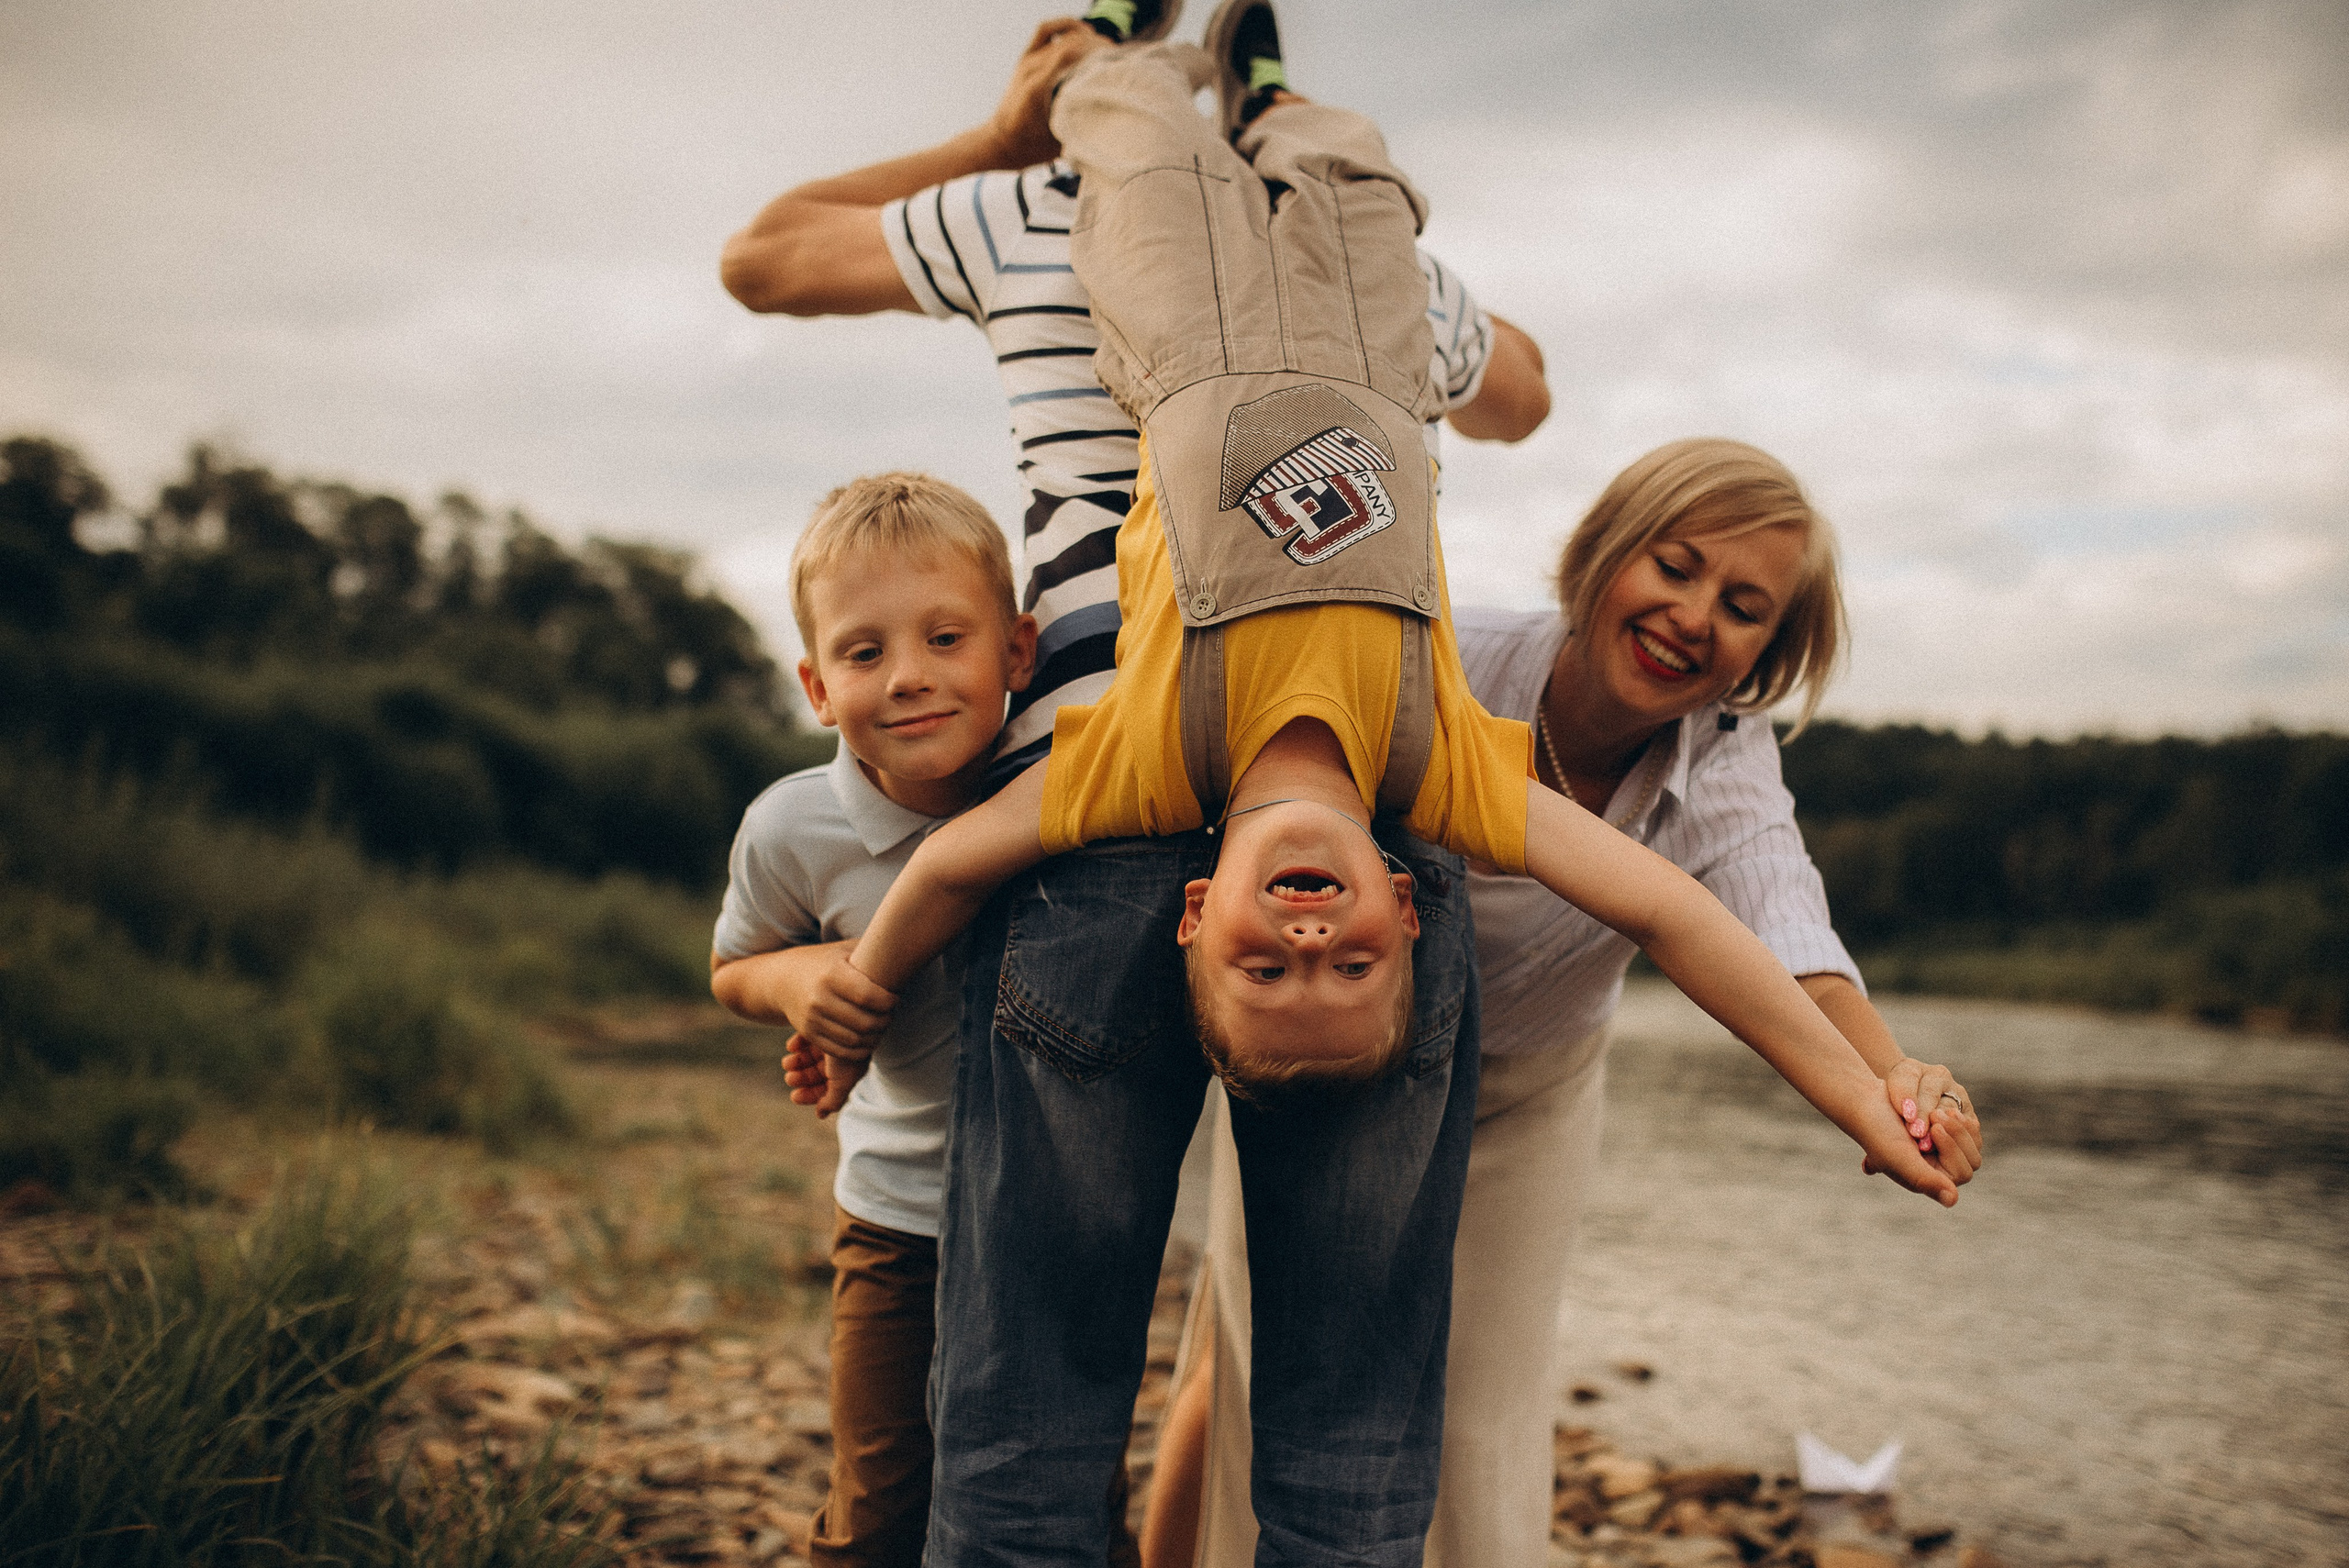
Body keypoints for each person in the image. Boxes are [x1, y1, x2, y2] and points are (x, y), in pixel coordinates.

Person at [724, 6, 1545, 1562]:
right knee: (1352, 1426)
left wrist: (995, 138)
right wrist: (1411, 286)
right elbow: (1527, 394)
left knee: (1029, 1419)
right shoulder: (1371, 276)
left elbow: (762, 257)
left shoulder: (1033, 205)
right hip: (1358, 811)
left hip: (1094, 808)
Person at [1143, 438, 1990, 1568]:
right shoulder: (1453, 661)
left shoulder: (1726, 755)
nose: (1695, 616)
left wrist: (1895, 1081)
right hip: (1347, 1065)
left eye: (1743, 606)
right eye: (1674, 566)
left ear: (1767, 652)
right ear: (1602, 555)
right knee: (1261, 1361)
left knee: (1481, 1404)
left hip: (1534, 1089)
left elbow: (1787, 935)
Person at [708, 473, 1056, 1568]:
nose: (907, 677)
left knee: (1058, 1500)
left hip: (1054, 1224)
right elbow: (732, 966)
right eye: (864, 654)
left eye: (945, 637)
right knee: (879, 1505)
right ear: (817, 684)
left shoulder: (1065, 791)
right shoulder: (794, 826)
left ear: (1017, 653)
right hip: (895, 1222)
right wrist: (801, 977)